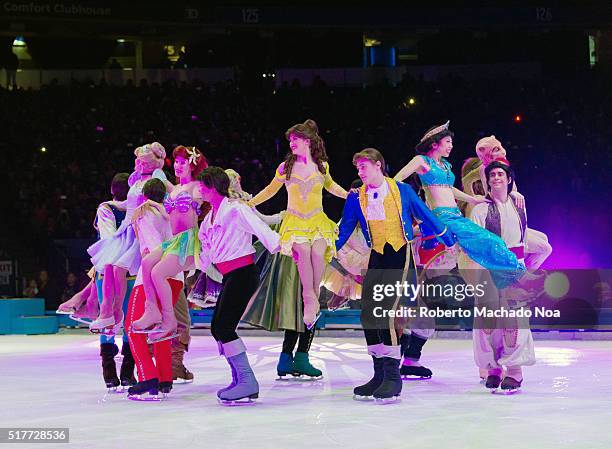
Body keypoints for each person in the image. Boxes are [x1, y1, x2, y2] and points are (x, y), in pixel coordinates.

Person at [337, 148, 455, 402]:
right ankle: (379, 374)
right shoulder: (357, 198)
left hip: (400, 256)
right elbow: (345, 227)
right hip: (377, 256)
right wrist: (329, 248)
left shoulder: (401, 190)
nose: (360, 172)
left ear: (378, 165)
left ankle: (393, 377)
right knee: (369, 312)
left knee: (388, 312)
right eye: (358, 168)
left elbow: (424, 214)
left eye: (364, 167)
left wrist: (446, 236)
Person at [393, 121, 525, 290]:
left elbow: (448, 189)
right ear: (435, 143)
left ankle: (505, 283)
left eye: (451, 143)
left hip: (456, 216)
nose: (451, 146)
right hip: (441, 217)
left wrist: (473, 200)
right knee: (490, 240)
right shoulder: (421, 161)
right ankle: (518, 275)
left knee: (483, 244)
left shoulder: (446, 166)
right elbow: (398, 179)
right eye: (448, 142)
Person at [249, 119, 347, 328]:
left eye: (296, 139)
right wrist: (250, 202)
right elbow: (270, 190)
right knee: (303, 251)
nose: (291, 143)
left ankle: (314, 294)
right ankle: (309, 296)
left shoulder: (322, 167)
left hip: (318, 220)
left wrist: (350, 195)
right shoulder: (286, 167)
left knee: (318, 253)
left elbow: (332, 187)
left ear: (308, 141)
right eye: (290, 140)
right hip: (295, 221)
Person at [197, 167, 281, 404]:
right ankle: (240, 379)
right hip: (230, 275)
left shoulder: (235, 210)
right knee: (218, 328)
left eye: (202, 185)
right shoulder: (209, 219)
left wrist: (280, 246)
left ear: (212, 187)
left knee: (224, 327)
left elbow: (260, 228)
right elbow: (206, 251)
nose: (199, 189)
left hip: (243, 273)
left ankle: (247, 380)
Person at [469, 160, 541, 392]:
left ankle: (515, 371)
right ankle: (493, 368)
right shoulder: (480, 210)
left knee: (513, 321)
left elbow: (522, 240)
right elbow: (475, 245)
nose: (496, 178)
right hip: (489, 270)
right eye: (492, 175)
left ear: (509, 179)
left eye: (501, 174)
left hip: (514, 268)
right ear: (487, 181)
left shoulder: (520, 204)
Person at [88, 144, 167, 333]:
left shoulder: (157, 178)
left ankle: (116, 313)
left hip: (141, 228)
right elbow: (129, 204)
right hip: (126, 228)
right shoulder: (136, 180)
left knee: (118, 268)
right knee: (107, 265)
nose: (141, 164)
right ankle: (106, 313)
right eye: (139, 160)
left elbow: (163, 199)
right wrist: (111, 203)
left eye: (145, 161)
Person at [132, 146, 207, 343]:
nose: (177, 166)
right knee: (147, 263)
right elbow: (156, 184)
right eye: (176, 162)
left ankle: (169, 320)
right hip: (174, 241)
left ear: (192, 165)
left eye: (183, 162)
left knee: (157, 273)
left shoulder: (197, 187)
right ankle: (152, 310)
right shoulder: (175, 189)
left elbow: (213, 198)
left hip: (188, 241)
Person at [125, 178, 185, 400]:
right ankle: (164, 377)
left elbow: (150, 248)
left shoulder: (144, 213)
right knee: (160, 326)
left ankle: (148, 376)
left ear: (142, 196)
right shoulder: (166, 212)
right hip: (176, 275)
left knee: (133, 327)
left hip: (152, 274)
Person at [462, 135, 552, 271]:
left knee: (543, 238)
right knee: (545, 248)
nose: (502, 151)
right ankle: (524, 275)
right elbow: (469, 181)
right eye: (496, 149)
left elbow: (468, 180)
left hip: (509, 210)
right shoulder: (486, 170)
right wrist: (473, 198)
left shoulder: (501, 164)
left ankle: (523, 271)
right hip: (501, 218)